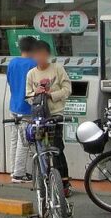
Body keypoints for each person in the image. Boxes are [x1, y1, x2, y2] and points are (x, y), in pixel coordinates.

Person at [25, 39, 72, 195]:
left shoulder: (57, 69)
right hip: (39, 117)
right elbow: (28, 96)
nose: (40, 57)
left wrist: (51, 95)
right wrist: (35, 93)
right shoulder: (31, 74)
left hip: (55, 115)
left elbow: (67, 89)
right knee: (42, 148)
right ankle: (45, 179)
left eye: (42, 54)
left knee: (57, 147)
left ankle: (64, 183)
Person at [6, 36, 38, 183]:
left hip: (13, 105)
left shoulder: (12, 63)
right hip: (26, 108)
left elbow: (9, 81)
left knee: (14, 139)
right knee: (24, 142)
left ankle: (13, 170)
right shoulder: (33, 64)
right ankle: (19, 174)